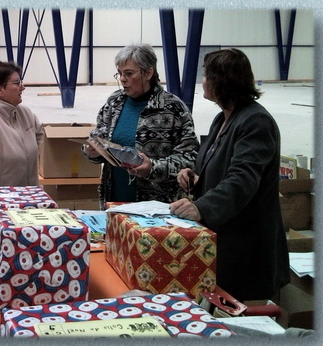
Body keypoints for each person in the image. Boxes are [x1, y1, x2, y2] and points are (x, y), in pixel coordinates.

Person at [170, 48, 290, 301]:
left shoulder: (255, 122)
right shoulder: (221, 119)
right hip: (223, 242)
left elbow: (242, 180)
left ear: (222, 82)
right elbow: (219, 169)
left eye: (206, 76)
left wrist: (201, 207)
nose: (202, 81)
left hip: (248, 250)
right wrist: (194, 176)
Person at [82, 43, 199, 207]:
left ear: (148, 72)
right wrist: (93, 151)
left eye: (129, 73)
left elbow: (189, 159)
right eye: (120, 73)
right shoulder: (114, 103)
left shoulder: (173, 109)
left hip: (155, 208)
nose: (123, 79)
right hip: (115, 200)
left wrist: (152, 168)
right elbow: (100, 138)